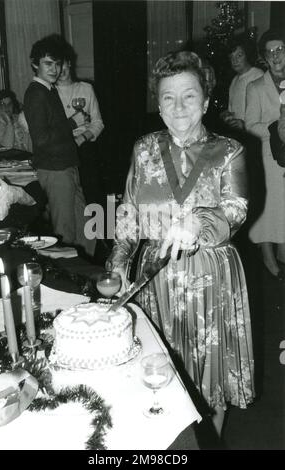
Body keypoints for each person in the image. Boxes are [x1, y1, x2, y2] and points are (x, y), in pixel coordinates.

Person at [107, 50, 255, 438]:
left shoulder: (229, 151)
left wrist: (197, 221)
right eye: (168, 97)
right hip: (155, 278)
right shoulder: (143, 150)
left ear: (206, 101)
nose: (178, 106)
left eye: (189, 95)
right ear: (158, 104)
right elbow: (128, 213)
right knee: (159, 375)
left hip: (209, 278)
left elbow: (236, 211)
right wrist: (119, 264)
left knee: (209, 385)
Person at [24, 34, 96, 257]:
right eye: (48, 63)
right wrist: (73, 123)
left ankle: (87, 270)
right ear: (35, 64)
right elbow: (41, 139)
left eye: (57, 63)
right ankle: (69, 281)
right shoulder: (36, 93)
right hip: (55, 170)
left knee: (87, 226)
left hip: (67, 166)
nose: (54, 69)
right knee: (64, 233)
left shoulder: (49, 90)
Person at [245, 29, 285, 279]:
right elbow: (250, 124)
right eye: (270, 52)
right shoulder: (256, 87)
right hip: (271, 158)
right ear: (264, 58)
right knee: (272, 209)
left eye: (280, 49)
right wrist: (276, 132)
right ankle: (269, 260)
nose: (275, 56)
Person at [55, 39, 105, 206]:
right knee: (69, 199)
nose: (60, 69)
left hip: (85, 147)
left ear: (69, 63)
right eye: (55, 65)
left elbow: (98, 123)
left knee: (91, 195)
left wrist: (82, 138)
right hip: (61, 148)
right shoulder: (49, 92)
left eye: (62, 63)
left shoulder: (86, 89)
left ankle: (95, 230)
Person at [221, 37, 263, 131]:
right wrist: (227, 115)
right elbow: (233, 110)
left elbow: (265, 112)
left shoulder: (258, 75)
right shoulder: (234, 81)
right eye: (231, 57)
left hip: (255, 134)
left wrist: (244, 124)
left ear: (247, 55)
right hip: (239, 134)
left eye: (239, 55)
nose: (235, 60)